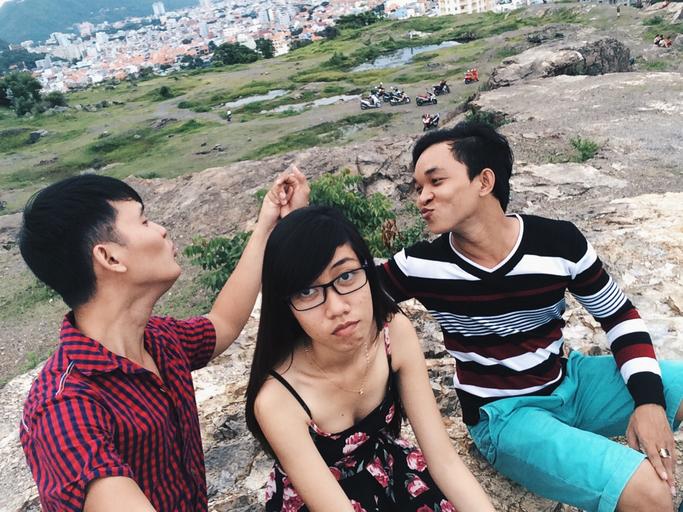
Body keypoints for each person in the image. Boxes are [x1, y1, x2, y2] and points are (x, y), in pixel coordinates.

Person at [378, 122, 683, 511]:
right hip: (503, 417)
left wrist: (649, 402)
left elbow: (618, 315)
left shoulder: (558, 243)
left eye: (435, 181)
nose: (422, 197)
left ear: (484, 181)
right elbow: (343, 294)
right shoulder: (420, 266)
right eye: (418, 187)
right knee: (650, 491)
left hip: (570, 382)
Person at [18, 169, 308, 511]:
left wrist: (267, 226)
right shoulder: (65, 408)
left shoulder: (158, 340)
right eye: (144, 221)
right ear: (109, 258)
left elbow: (223, 323)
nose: (161, 229)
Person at [245, 206, 495, 512]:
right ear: (286, 306)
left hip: (390, 471)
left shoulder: (393, 334)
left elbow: (444, 461)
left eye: (346, 276)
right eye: (307, 292)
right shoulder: (278, 400)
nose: (337, 307)